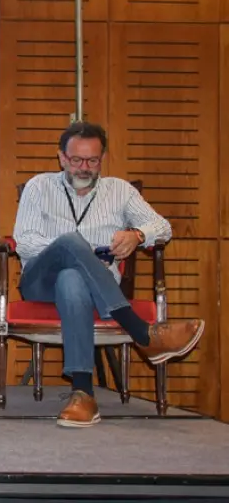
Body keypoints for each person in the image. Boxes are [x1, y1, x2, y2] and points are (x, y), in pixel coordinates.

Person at [13, 121, 203, 428]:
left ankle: (83, 394)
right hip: (40, 279)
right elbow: (26, 242)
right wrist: (80, 250)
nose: (84, 168)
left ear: (102, 158)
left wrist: (138, 235)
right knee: (70, 244)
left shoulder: (120, 191)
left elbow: (163, 227)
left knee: (72, 279)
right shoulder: (39, 186)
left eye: (93, 161)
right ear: (62, 158)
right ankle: (142, 332)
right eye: (76, 160)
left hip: (92, 288)